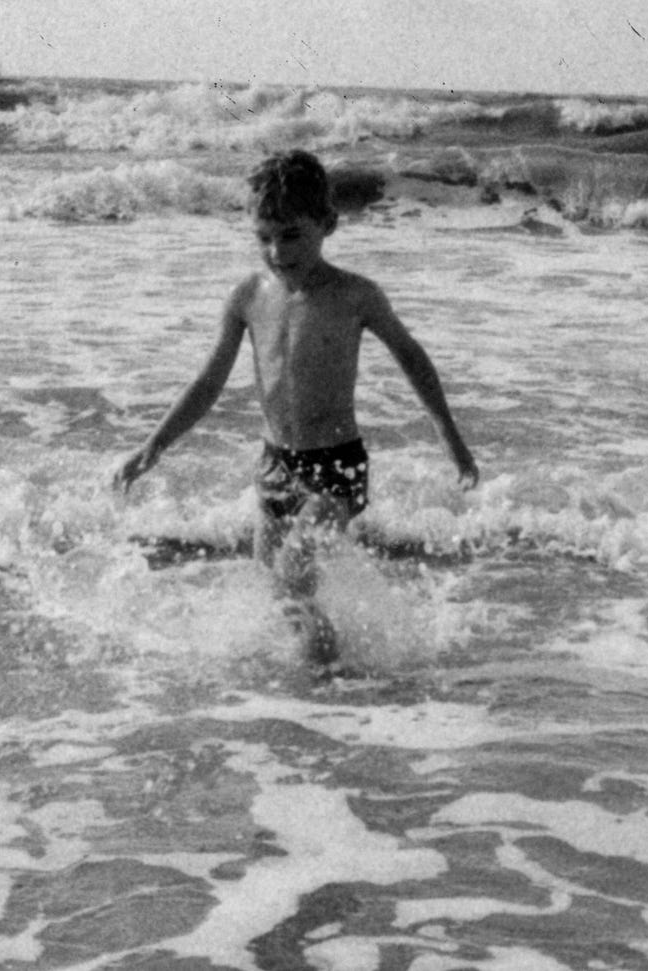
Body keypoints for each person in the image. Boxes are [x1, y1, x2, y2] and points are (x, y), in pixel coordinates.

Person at [114, 149, 478, 664]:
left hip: (337, 464)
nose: (277, 252)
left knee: (295, 568)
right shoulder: (247, 296)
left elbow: (412, 358)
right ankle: (322, 681)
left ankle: (327, 679)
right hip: (275, 463)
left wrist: (451, 439)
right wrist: (153, 445)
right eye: (264, 237)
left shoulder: (355, 295)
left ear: (327, 224)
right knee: (279, 588)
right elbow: (208, 381)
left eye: (291, 236)